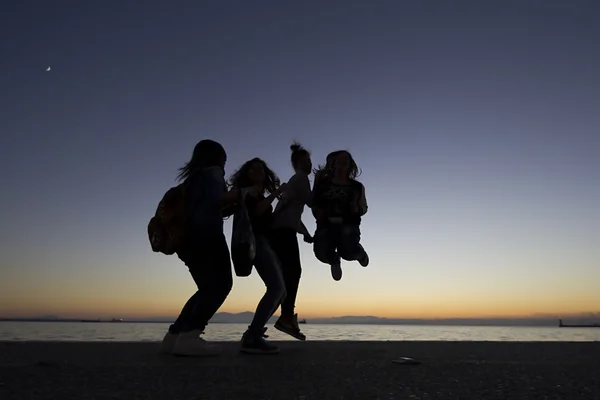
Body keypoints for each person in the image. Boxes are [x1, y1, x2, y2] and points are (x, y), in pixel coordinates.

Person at [159, 139, 252, 357]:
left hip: (187, 241)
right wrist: (242, 193)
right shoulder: (212, 173)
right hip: (207, 237)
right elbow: (216, 199)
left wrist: (229, 204)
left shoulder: (192, 180)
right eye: (224, 160)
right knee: (221, 285)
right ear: (217, 157)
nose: (224, 165)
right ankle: (190, 337)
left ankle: (173, 337)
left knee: (207, 288)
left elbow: (208, 206)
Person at [229, 158, 287, 354]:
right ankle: (253, 336)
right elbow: (256, 210)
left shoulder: (258, 192)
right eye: (253, 169)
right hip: (256, 242)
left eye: (260, 168)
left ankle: (253, 332)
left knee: (281, 292)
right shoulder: (250, 191)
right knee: (276, 288)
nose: (257, 171)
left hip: (265, 243)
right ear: (247, 173)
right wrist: (276, 194)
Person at [269, 142, 313, 341]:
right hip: (282, 233)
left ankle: (279, 318)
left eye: (309, 160)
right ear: (296, 163)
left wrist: (304, 232)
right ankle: (286, 317)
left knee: (284, 278)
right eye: (305, 161)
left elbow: (292, 214)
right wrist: (322, 181)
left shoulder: (294, 181)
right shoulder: (302, 179)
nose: (309, 164)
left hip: (280, 233)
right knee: (292, 273)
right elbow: (313, 202)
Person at [311, 150, 369, 281]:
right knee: (321, 253)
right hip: (325, 224)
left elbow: (364, 208)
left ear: (350, 165)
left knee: (348, 252)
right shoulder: (323, 183)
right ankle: (334, 260)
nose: (343, 162)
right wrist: (317, 212)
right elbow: (313, 201)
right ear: (334, 163)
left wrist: (357, 209)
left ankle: (360, 254)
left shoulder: (357, 187)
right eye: (340, 160)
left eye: (346, 160)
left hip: (348, 225)